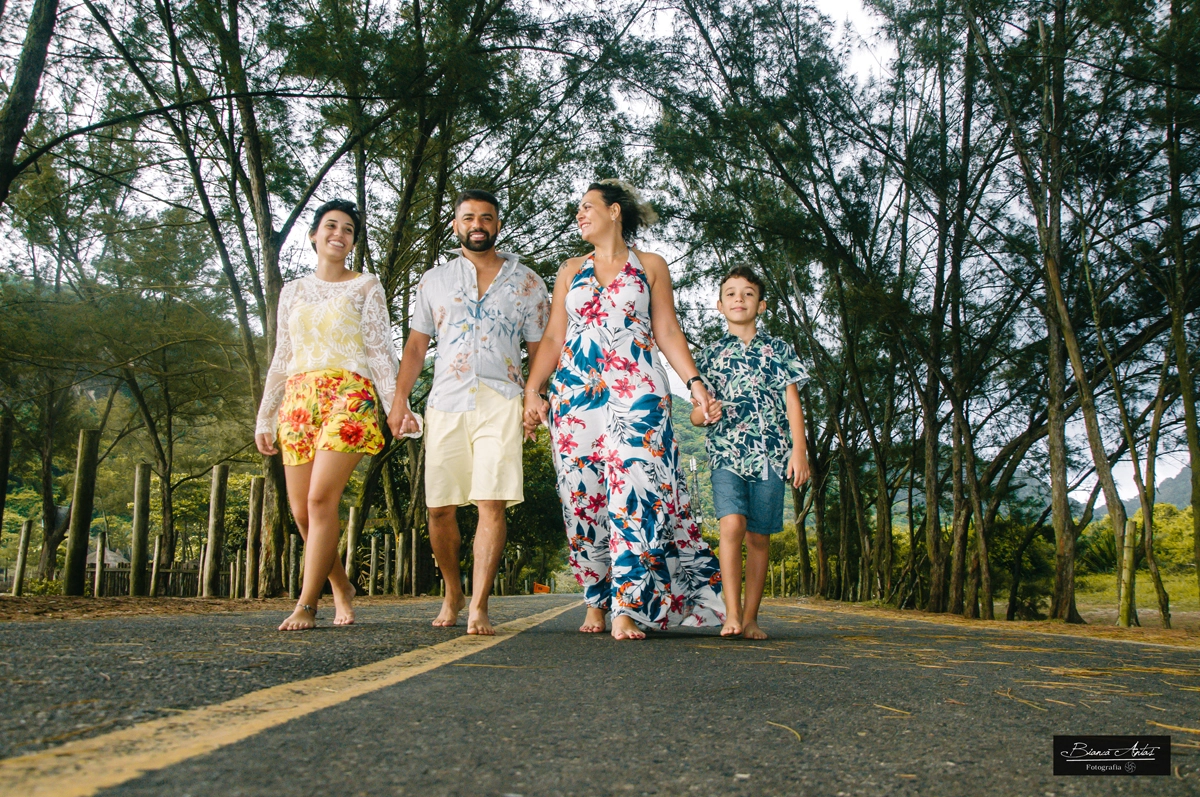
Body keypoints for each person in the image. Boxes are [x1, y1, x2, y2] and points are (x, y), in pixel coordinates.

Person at [523, 179, 725, 640]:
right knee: (584, 497)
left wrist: (694, 384)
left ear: (614, 211)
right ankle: (596, 599)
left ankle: (627, 607)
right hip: (575, 399)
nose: (579, 215)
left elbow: (668, 329)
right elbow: (554, 336)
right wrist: (533, 391)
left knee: (638, 493)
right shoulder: (569, 269)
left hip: (639, 393)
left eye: (587, 207)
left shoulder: (649, 265)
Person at [388, 189, 548, 635]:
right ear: (456, 225)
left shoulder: (528, 282)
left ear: (497, 224)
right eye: (468, 217)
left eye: (487, 217)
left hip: (502, 399)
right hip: (445, 401)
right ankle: (453, 591)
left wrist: (534, 396)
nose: (478, 224)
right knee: (439, 509)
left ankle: (478, 604)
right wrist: (400, 401)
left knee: (489, 501)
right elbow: (416, 346)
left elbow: (541, 349)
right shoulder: (433, 281)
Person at [255, 199, 398, 631]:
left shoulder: (366, 286)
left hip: (350, 393)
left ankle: (306, 604)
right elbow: (282, 354)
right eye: (331, 226)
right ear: (314, 235)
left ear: (353, 241)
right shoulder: (293, 291)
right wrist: (266, 415)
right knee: (302, 512)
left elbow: (379, 351)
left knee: (321, 501)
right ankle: (341, 585)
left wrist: (395, 409)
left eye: (348, 229)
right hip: (298, 398)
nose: (339, 234)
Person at [692, 266, 809, 640]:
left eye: (747, 293)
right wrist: (704, 413)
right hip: (726, 454)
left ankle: (752, 618)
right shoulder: (708, 356)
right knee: (731, 525)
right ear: (719, 304)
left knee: (759, 536)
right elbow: (696, 413)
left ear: (761, 305)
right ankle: (732, 614)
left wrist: (799, 452)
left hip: (772, 457)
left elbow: (793, 404)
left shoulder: (779, 350)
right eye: (730, 293)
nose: (738, 299)